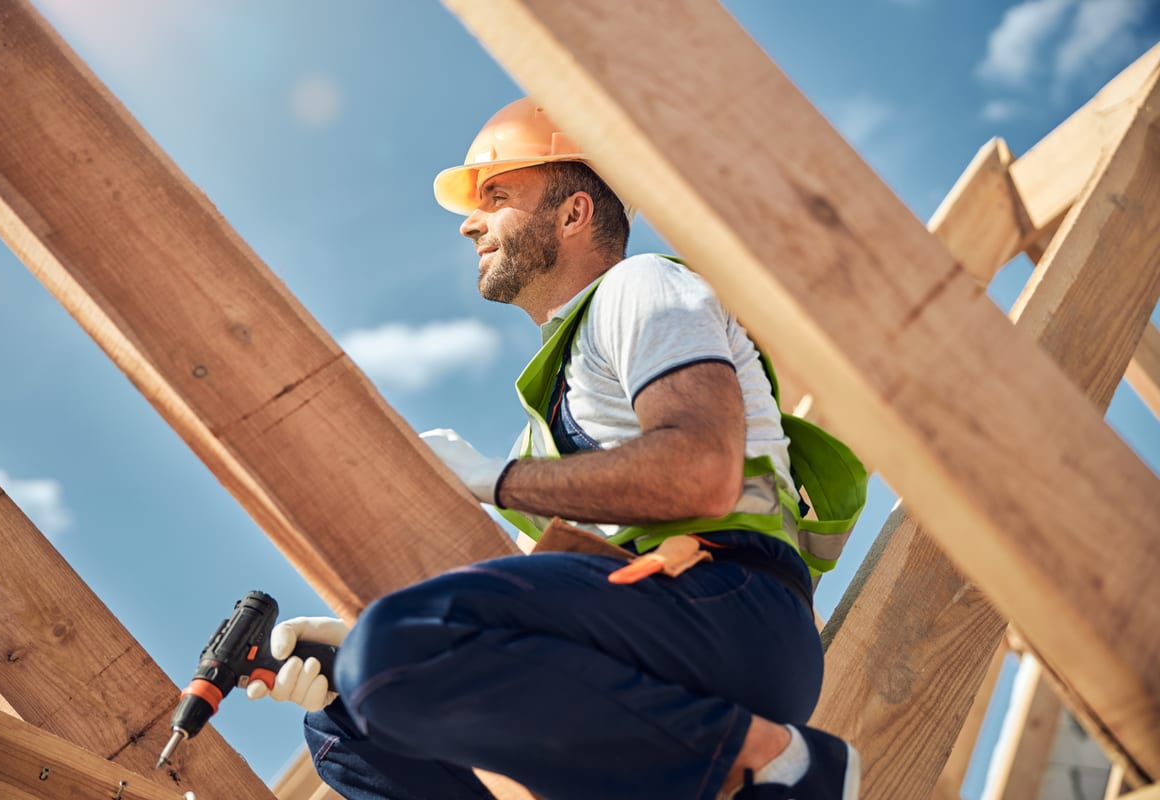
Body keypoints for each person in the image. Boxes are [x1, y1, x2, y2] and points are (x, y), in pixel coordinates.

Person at [248, 98, 866, 800]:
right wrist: (349, 662)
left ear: (574, 214)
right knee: (348, 730)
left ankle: (785, 772)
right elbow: (522, 639)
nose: (469, 221)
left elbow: (703, 469)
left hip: (730, 611)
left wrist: (491, 480)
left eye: (498, 195)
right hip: (644, 640)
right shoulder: (547, 426)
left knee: (395, 644)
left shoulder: (643, 288)